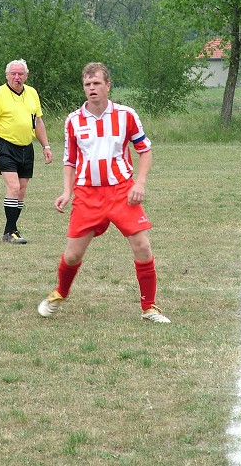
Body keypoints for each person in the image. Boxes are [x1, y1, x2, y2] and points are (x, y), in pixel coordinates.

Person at [38, 62, 170, 324]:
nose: (92, 88)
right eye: (87, 84)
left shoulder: (126, 115)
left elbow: (145, 151)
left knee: (142, 246)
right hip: (87, 195)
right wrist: (67, 191)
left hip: (122, 191)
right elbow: (70, 160)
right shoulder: (73, 120)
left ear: (108, 86)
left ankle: (149, 307)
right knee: (74, 254)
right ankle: (60, 293)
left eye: (97, 83)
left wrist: (139, 183)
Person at [0, 59, 53, 244]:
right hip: (6, 146)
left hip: (26, 147)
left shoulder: (32, 93)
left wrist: (46, 146)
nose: (17, 77)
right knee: (13, 187)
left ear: (26, 76)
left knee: (21, 190)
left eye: (20, 74)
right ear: (7, 75)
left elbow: (38, 122)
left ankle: (9, 231)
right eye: (13, 74)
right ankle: (12, 231)